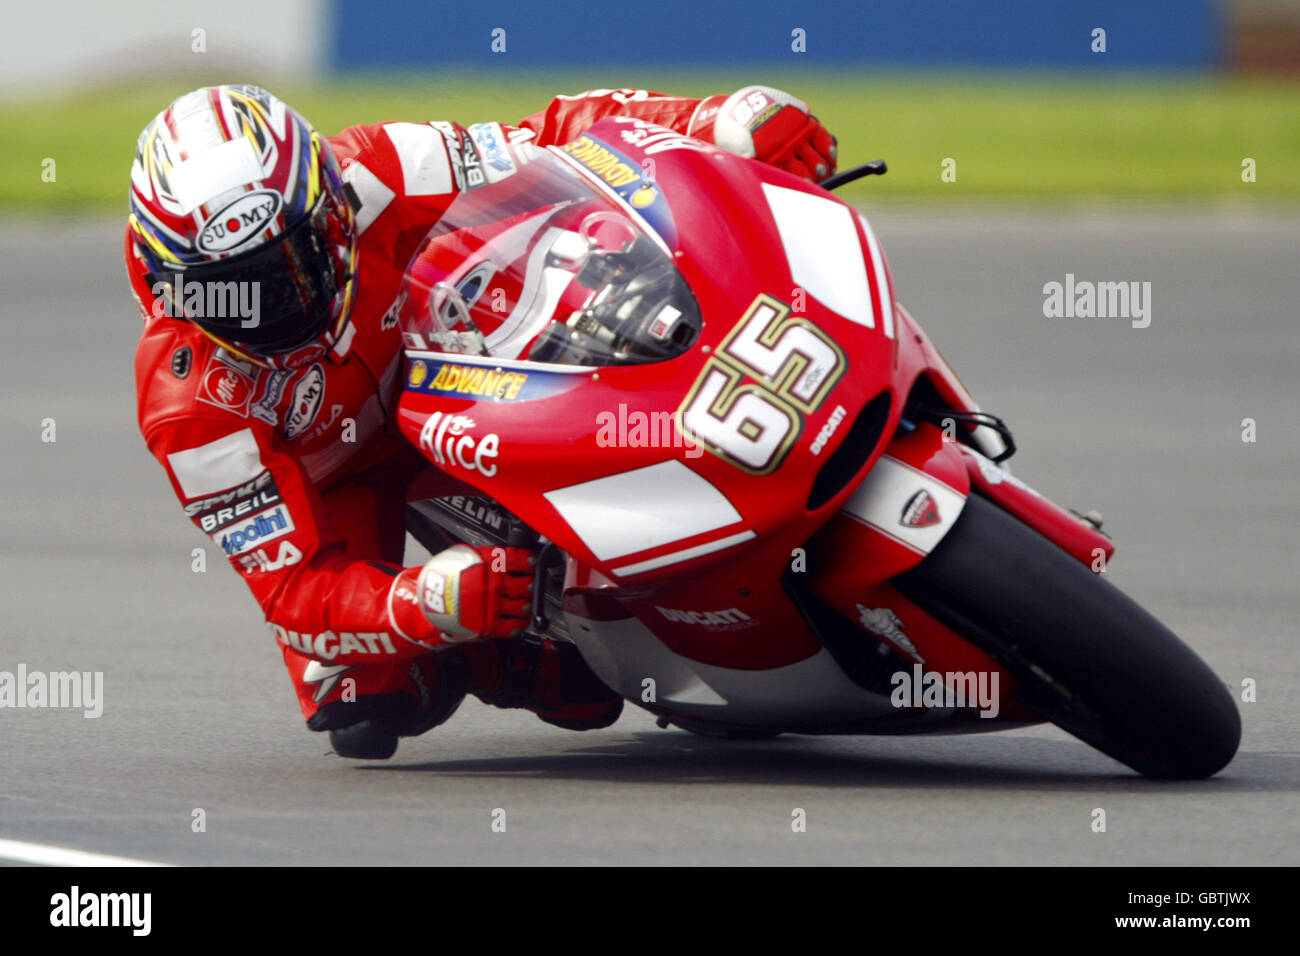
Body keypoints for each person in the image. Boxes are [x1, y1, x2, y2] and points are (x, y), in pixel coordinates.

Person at [125, 83, 838, 759]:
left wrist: (713, 120)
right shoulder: (187, 406)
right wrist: (426, 603)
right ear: (172, 287)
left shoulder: (384, 169)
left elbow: (556, 139)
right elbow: (292, 593)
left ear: (335, 209)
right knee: (370, 699)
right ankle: (516, 645)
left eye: (293, 266)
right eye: (230, 294)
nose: (272, 310)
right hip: (340, 482)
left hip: (466, 369)